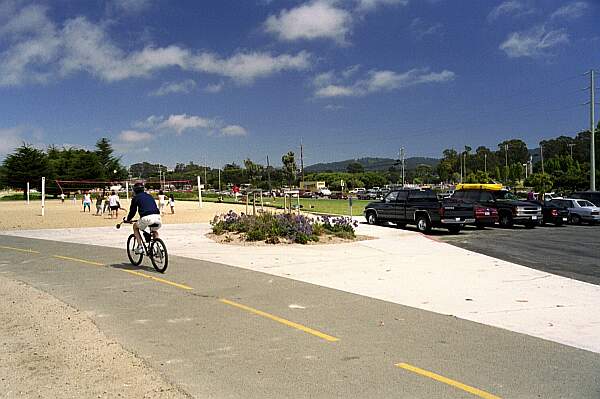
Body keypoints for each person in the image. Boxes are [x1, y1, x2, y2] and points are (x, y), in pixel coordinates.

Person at [125, 183, 162, 254]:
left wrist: (128, 219)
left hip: (146, 218)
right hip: (157, 217)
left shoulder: (135, 198)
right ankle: (159, 247)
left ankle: (140, 247)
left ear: (135, 190)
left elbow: (132, 211)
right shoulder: (150, 196)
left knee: (135, 227)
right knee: (154, 231)